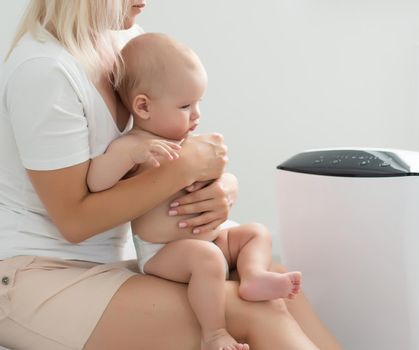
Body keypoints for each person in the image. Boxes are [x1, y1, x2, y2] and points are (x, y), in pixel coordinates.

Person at [0, 1, 341, 349]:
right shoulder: (45, 70)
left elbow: (168, 155)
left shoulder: (126, 43)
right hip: (34, 277)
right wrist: (186, 168)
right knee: (255, 312)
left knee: (276, 284)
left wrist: (221, 190)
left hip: (111, 263)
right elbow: (74, 221)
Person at [86, 32, 302, 350]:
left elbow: (214, 181)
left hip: (210, 236)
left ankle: (253, 275)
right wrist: (130, 158)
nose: (197, 114)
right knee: (209, 260)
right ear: (143, 107)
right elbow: (96, 182)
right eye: (186, 105)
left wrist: (224, 182)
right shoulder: (133, 146)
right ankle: (213, 334)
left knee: (256, 233)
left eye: (198, 102)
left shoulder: (186, 143)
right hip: (163, 252)